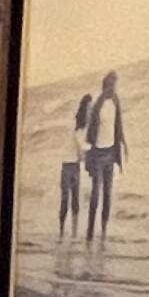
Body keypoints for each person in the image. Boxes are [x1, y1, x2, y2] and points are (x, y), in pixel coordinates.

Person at [83, 70, 127, 243]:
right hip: (98, 155)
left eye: (115, 85)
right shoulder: (97, 105)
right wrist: (88, 158)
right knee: (96, 194)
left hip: (110, 154)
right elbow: (90, 134)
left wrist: (124, 144)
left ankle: (103, 232)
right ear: (106, 85)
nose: (114, 88)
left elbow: (119, 125)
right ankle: (90, 232)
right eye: (112, 85)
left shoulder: (116, 100)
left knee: (107, 194)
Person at [59, 95, 92, 241]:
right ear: (85, 108)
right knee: (66, 199)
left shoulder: (84, 125)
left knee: (74, 200)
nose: (91, 111)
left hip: (74, 165)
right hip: (68, 164)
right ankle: (63, 231)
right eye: (89, 108)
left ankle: (73, 233)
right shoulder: (78, 125)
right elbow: (80, 148)